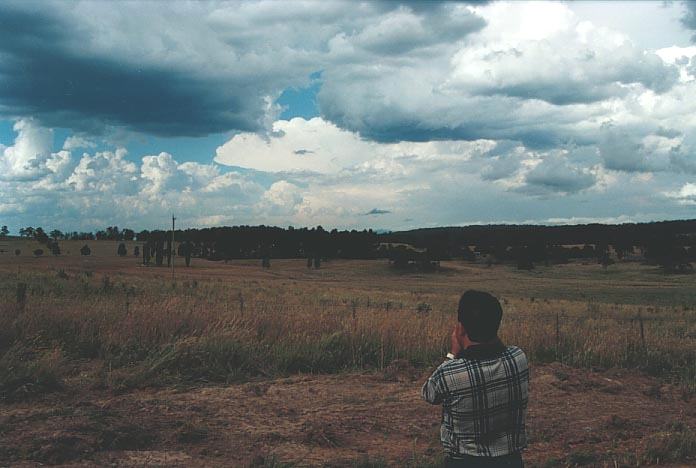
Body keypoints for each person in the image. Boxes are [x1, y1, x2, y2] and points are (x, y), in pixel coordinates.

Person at [422, 290, 529, 467]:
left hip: (464, 461)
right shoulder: (518, 358)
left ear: (461, 329)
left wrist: (452, 354)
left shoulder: (450, 373)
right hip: (511, 460)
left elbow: (429, 393)